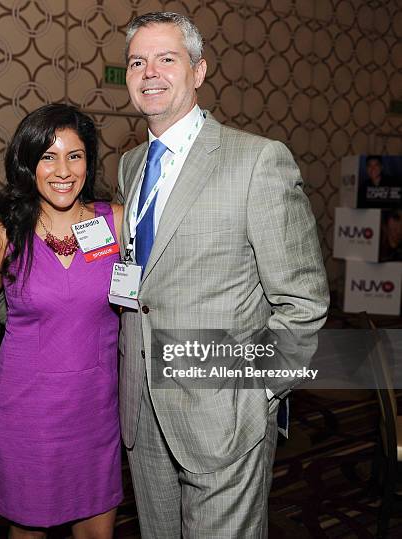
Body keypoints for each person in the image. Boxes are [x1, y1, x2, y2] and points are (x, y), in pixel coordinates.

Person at [116, 12, 330, 538]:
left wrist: (257, 397)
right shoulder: (130, 165)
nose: (150, 72)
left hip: (225, 416)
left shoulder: (257, 161)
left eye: (167, 58)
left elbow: (303, 303)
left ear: (200, 70)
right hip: (143, 416)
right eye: (137, 61)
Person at [0, 104, 123, 538]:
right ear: (29, 163)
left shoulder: (115, 221)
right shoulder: (3, 231)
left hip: (96, 408)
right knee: (27, 531)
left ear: (89, 161)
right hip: (27, 411)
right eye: (48, 156)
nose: (63, 170)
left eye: (74, 156)